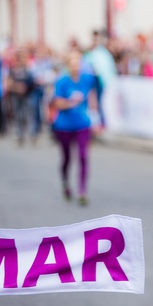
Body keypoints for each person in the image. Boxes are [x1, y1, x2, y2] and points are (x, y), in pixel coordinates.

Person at [50, 49, 98, 205]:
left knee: (83, 156)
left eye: (78, 62)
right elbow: (56, 103)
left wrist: (94, 105)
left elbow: (99, 84)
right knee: (67, 158)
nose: (76, 65)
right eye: (72, 62)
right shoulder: (62, 81)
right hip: (64, 125)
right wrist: (71, 102)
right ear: (67, 65)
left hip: (82, 123)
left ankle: (82, 192)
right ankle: (65, 183)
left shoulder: (87, 78)